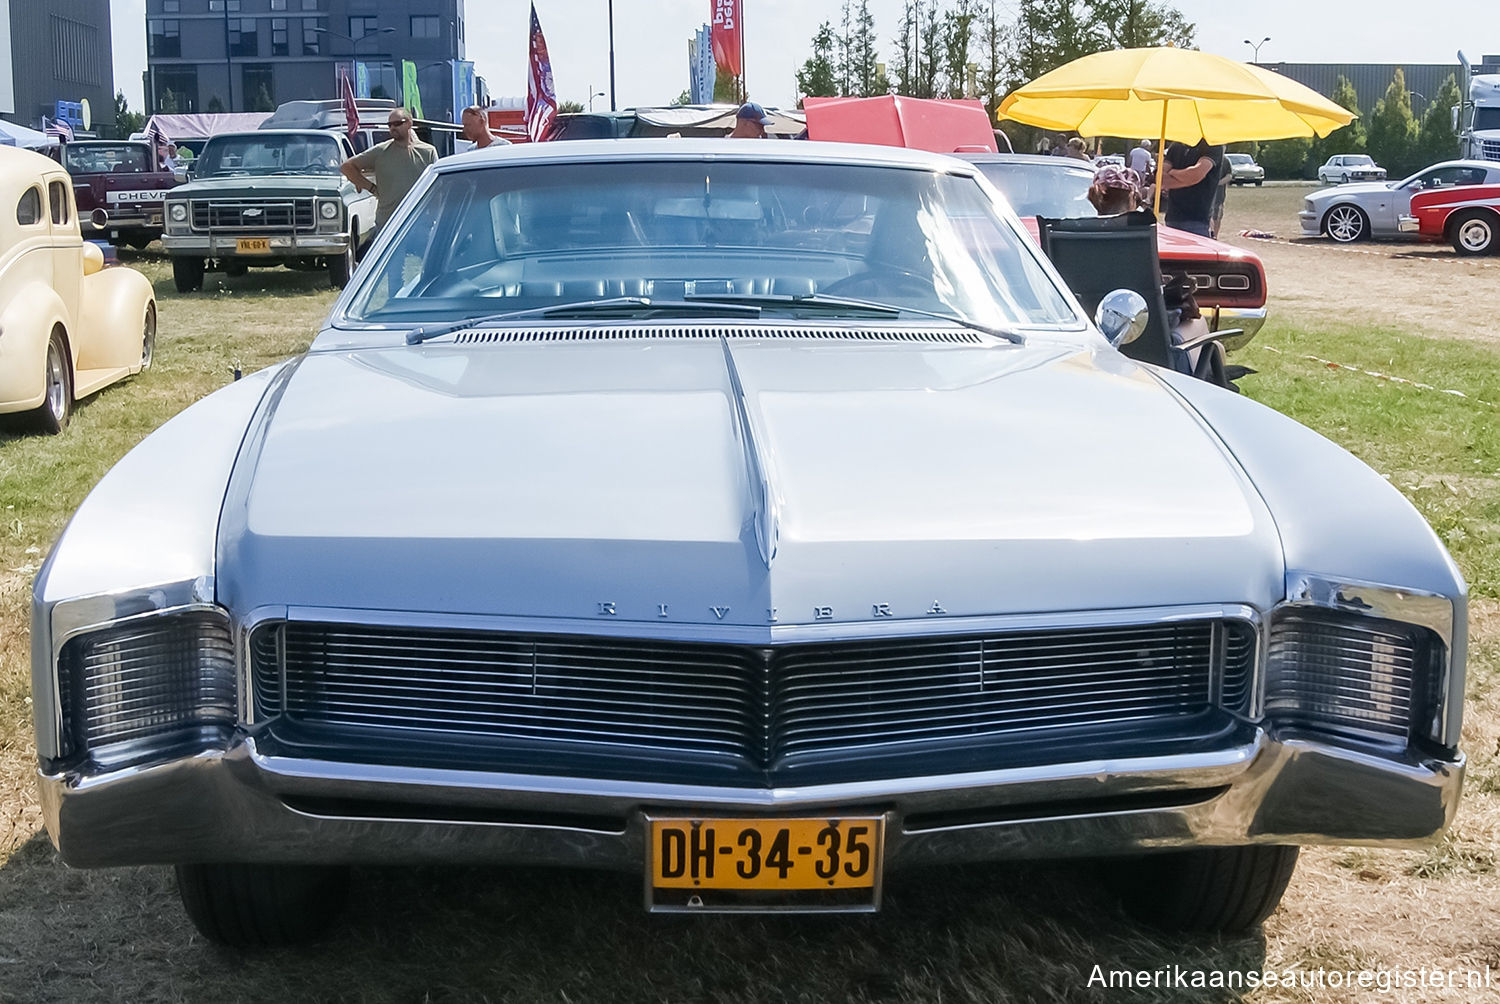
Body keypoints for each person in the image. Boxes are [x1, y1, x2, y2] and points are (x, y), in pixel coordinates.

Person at [340, 107, 437, 231]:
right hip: (389, 223)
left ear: (409, 123)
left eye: (397, 123)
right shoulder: (381, 151)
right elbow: (347, 167)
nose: (392, 128)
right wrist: (371, 188)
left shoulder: (428, 152)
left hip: (419, 221)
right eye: (389, 125)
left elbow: (437, 187)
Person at [1159, 139, 1223, 237]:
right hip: (1172, 219)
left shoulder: (1213, 146)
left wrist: (1172, 172)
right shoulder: (1176, 146)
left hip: (1198, 220)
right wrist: (1188, 180)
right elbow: (1160, 178)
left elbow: (1196, 174)